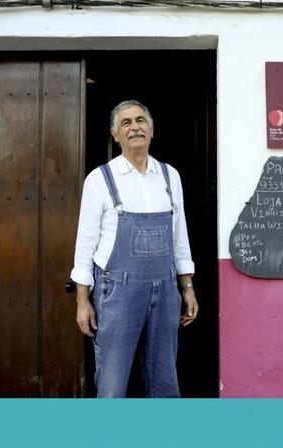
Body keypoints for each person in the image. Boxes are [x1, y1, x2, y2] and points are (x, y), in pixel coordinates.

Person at [70, 100, 199, 398]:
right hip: (117, 290)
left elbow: (180, 237)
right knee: (113, 381)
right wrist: (82, 301)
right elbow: (84, 245)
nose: (134, 127)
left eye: (140, 120)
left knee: (164, 379)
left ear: (151, 130)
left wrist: (187, 286)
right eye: (125, 123)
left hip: (166, 289)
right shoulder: (100, 180)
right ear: (115, 135)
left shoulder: (170, 176)